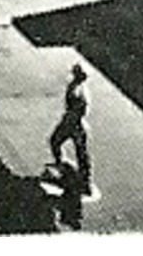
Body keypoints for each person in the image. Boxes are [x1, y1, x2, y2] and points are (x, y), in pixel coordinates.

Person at [50, 64, 92, 193]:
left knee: (55, 142)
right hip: (77, 123)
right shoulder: (82, 88)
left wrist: (71, 119)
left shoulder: (76, 89)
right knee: (81, 152)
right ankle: (85, 179)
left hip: (72, 123)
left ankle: (63, 167)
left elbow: (79, 108)